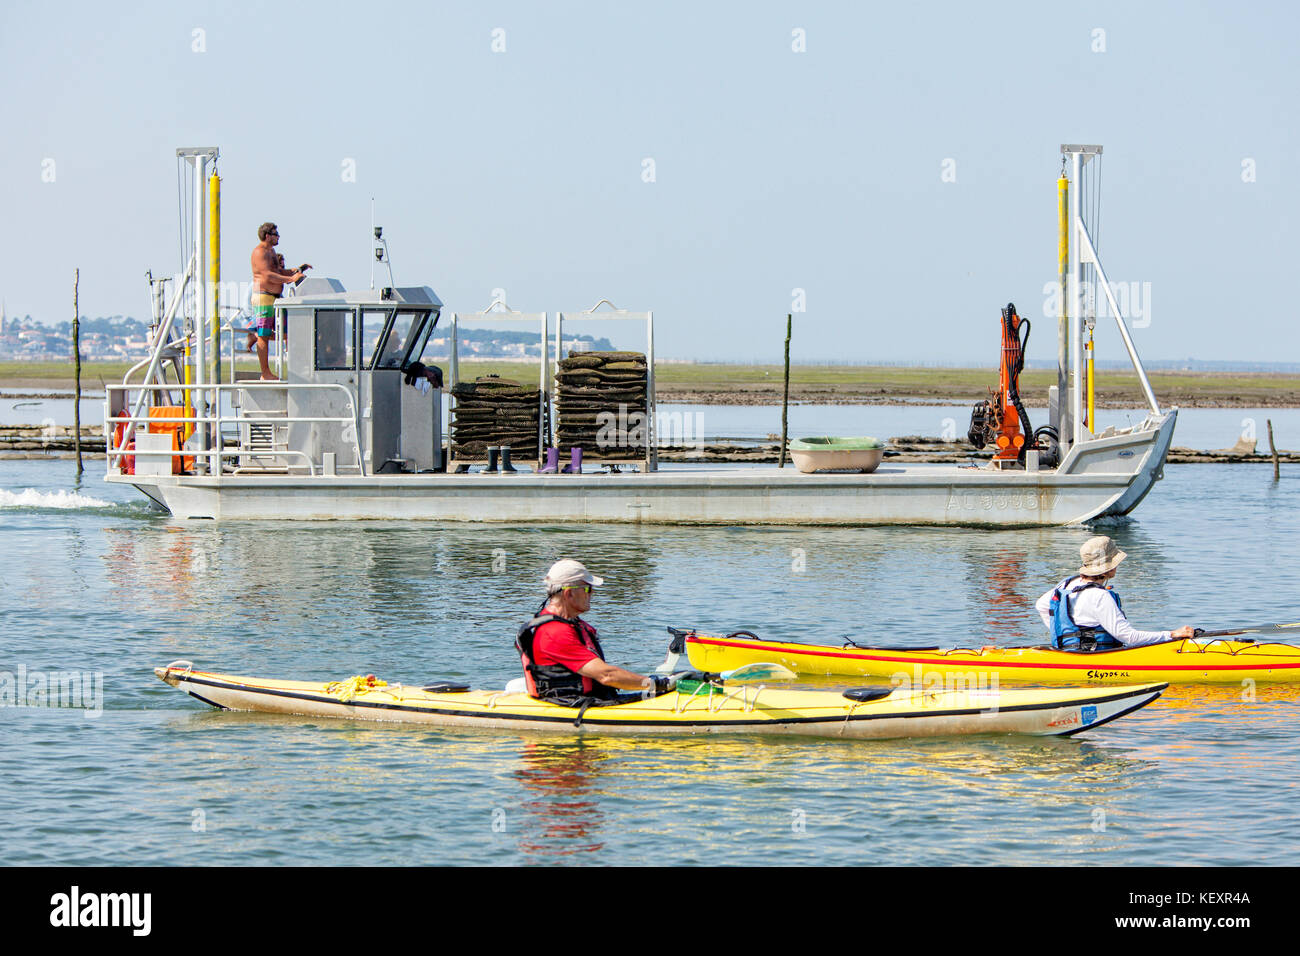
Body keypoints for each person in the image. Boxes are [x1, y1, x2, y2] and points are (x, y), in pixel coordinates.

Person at [516, 560, 675, 704]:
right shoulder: (554, 632)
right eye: (587, 588)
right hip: (570, 704)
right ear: (569, 593)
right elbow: (607, 676)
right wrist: (656, 684)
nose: (592, 593)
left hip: (589, 698)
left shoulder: (570, 623)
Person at [1035, 535, 1195, 650]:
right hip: (1096, 658)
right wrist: (1172, 634)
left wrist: (1063, 637)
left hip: (1070, 654)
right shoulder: (1099, 596)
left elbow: (1041, 605)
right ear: (1108, 567)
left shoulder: (1067, 583)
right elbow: (1129, 638)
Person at [249, 222, 311, 380]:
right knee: (263, 335)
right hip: (263, 296)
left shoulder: (272, 251)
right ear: (267, 235)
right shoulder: (259, 252)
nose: (279, 237)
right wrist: (290, 279)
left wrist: (297, 270)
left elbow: (278, 271)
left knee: (284, 333)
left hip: (275, 298)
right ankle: (265, 373)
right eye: (276, 234)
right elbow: (267, 275)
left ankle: (254, 340)